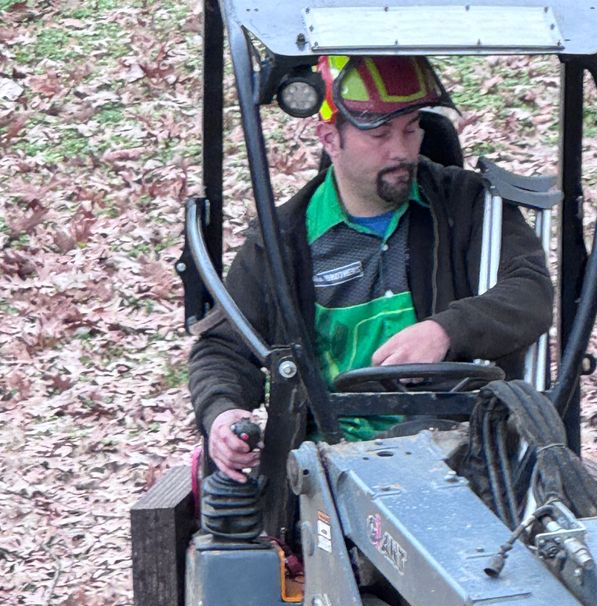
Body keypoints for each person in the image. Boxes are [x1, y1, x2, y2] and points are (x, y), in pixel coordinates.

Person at [188, 54, 554, 481]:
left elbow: (531, 291)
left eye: (412, 128)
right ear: (330, 139)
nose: (401, 150)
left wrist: (446, 330)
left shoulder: (468, 206)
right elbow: (224, 348)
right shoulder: (284, 239)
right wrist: (223, 412)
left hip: (468, 460)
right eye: (380, 134)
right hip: (327, 475)